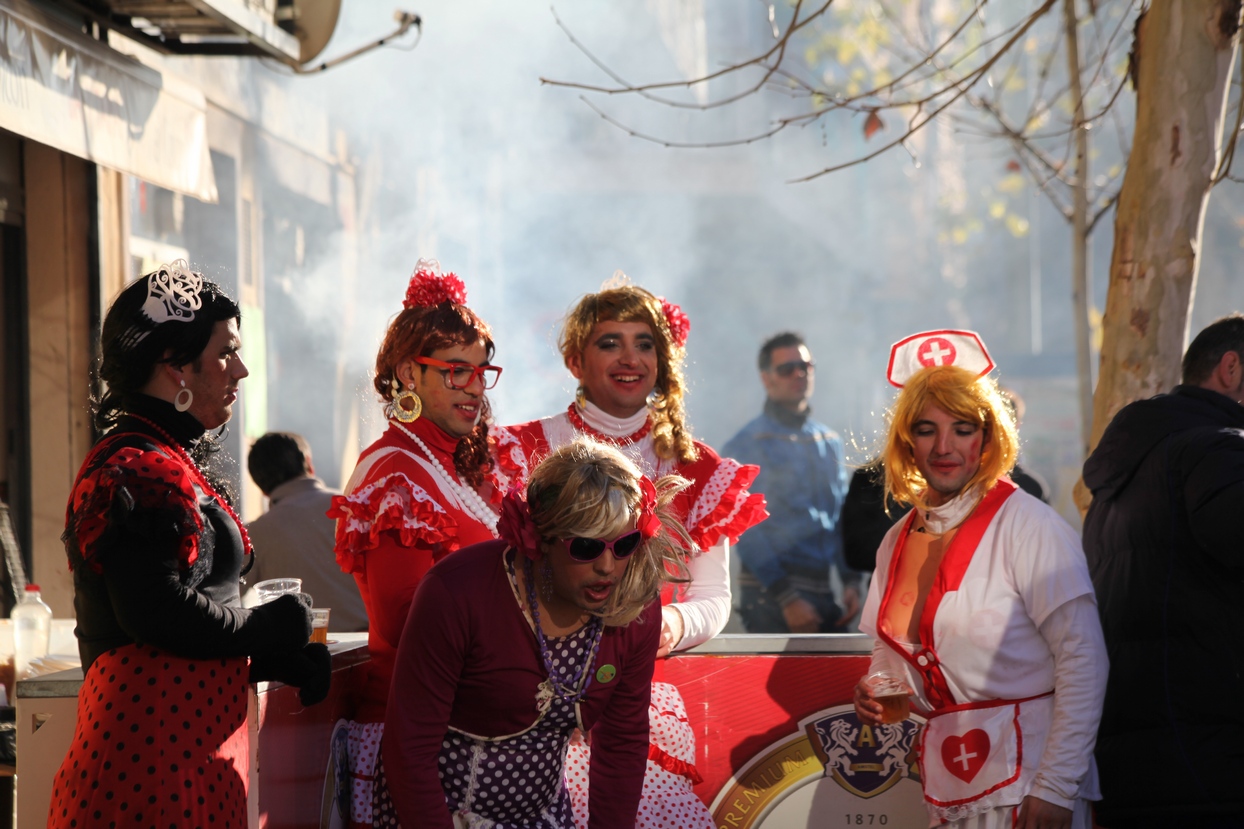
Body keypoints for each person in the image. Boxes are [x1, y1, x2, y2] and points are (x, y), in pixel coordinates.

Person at [49, 262, 329, 829]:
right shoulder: (137, 466)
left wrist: (268, 660)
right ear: (174, 366)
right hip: (147, 773)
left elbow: (185, 627)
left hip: (185, 763)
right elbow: (155, 613)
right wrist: (267, 629)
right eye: (226, 352)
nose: (242, 370)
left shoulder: (159, 458)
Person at [497, 280, 766, 828]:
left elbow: (714, 598)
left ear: (664, 362)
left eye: (644, 343)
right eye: (609, 342)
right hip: (532, 702)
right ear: (575, 359)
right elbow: (496, 580)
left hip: (637, 700)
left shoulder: (699, 469)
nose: (629, 358)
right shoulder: (520, 449)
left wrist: (665, 624)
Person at [854, 329, 1107, 829]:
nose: (944, 447)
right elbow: (889, 651)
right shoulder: (895, 541)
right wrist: (879, 687)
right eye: (926, 429)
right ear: (907, 440)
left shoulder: (1032, 526)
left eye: (963, 428)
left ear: (989, 438)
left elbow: (1084, 660)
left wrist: (1057, 785)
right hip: (950, 789)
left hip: (1032, 786)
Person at [384, 437, 692, 829]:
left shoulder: (634, 602)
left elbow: (622, 744)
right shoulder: (456, 592)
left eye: (625, 544)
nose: (608, 567)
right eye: (586, 547)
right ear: (540, 539)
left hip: (544, 818)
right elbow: (408, 751)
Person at [329, 259, 502, 827]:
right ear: (408, 373)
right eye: (456, 371)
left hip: (471, 731)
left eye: (481, 371)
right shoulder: (396, 471)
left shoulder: (459, 465)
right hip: (420, 741)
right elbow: (406, 621)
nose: (473, 387)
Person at [1082, 314, 1244, 827]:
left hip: (1133, 756)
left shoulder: (1128, 467)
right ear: (1232, 367)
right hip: (1208, 758)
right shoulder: (1216, 450)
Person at [723, 332, 860, 632]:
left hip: (823, 589)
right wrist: (787, 598)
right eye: (786, 369)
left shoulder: (829, 441)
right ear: (766, 378)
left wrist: (851, 580)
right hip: (769, 596)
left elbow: (840, 517)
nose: (798, 374)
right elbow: (745, 531)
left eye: (805, 366)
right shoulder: (745, 446)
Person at [246, 431, 367, 632]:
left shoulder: (254, 534)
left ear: (262, 488)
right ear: (309, 464)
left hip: (305, 655)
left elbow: (227, 597)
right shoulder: (352, 507)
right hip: (370, 648)